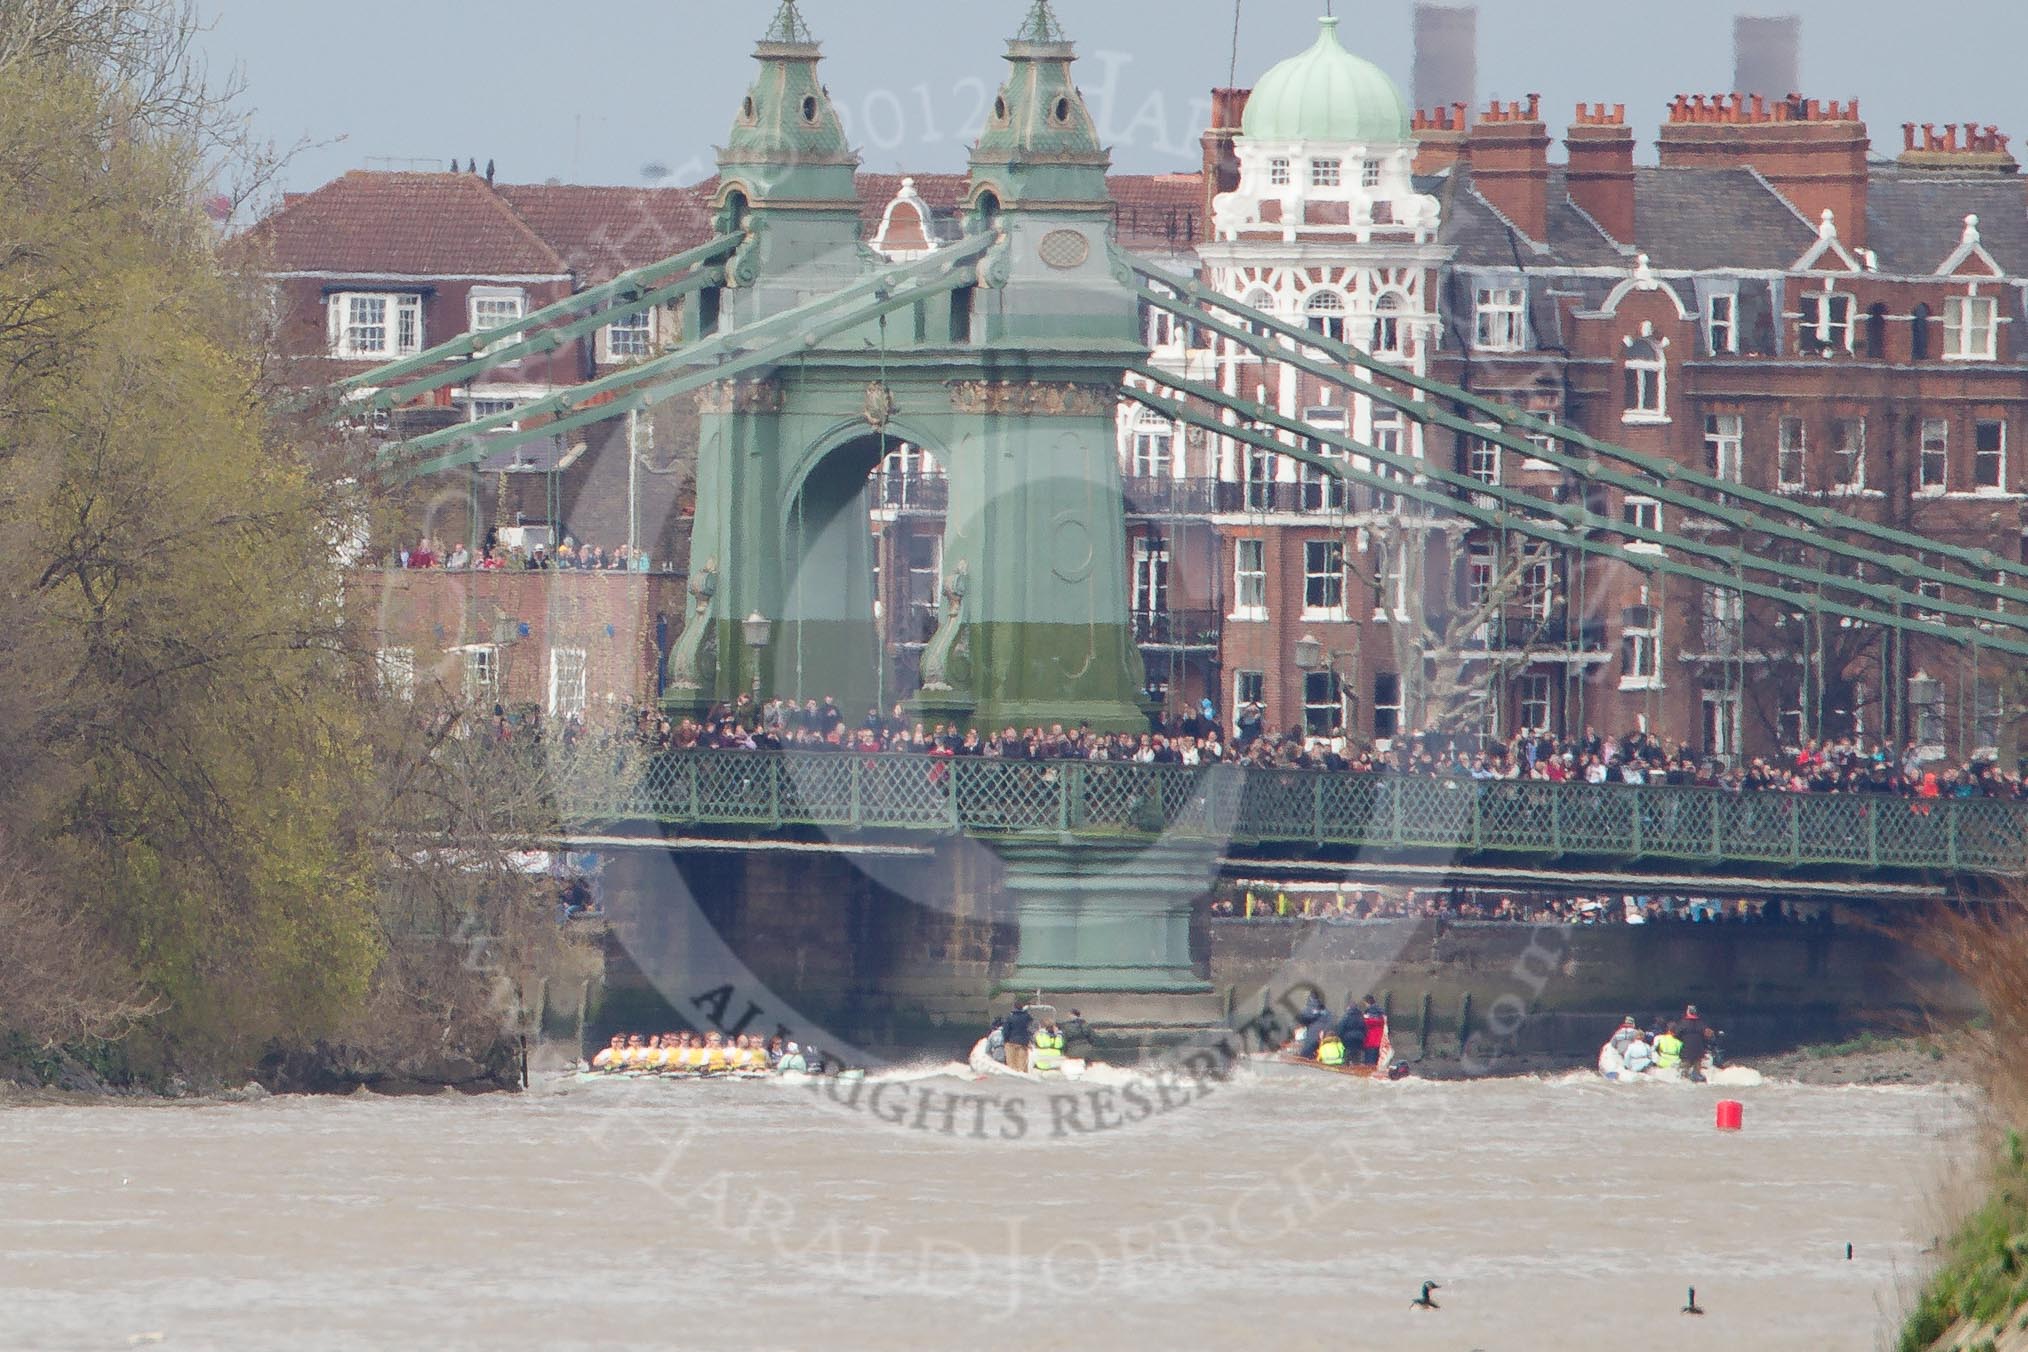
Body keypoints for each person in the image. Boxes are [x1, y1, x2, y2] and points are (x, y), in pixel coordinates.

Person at [1002, 1002, 1034, 1073]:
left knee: (1011, 1064)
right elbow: (1031, 1028)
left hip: (1011, 1042)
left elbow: (1006, 1031)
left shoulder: (1010, 1017)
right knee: (1022, 1064)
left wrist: (1006, 1040)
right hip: (1023, 1042)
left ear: (1014, 1007)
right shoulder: (1027, 1017)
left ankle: (1013, 1078)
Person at [1360, 995, 1388, 1066]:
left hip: (1370, 1041)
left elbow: (1365, 1026)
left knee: (1369, 1062)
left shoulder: (1368, 1018)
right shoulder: (1382, 1016)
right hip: (1379, 1041)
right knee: (1376, 1062)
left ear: (1367, 1002)